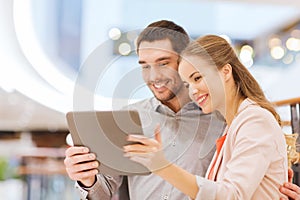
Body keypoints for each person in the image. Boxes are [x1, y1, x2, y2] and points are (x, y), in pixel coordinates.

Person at [64, 20, 225, 199]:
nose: (153, 76)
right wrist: (88, 179)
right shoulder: (129, 118)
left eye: (163, 63)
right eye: (145, 66)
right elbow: (104, 193)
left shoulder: (220, 121)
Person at [124, 34, 289, 199]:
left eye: (197, 78)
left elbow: (232, 195)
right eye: (188, 84)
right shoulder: (231, 126)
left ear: (225, 72)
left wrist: (162, 166)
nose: (193, 91)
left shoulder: (254, 120)